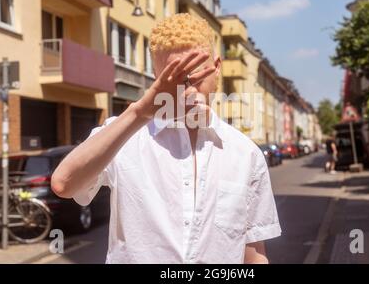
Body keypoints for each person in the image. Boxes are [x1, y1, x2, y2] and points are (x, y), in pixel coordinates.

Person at [51, 13, 281, 264]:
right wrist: (139, 112)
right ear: (156, 77)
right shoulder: (124, 135)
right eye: (175, 80)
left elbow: (254, 251)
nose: (189, 90)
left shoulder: (245, 153)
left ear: (216, 68)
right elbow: (65, 184)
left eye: (196, 76)